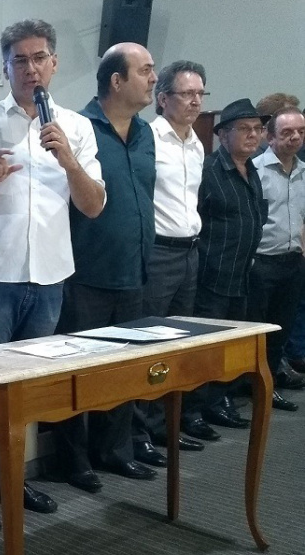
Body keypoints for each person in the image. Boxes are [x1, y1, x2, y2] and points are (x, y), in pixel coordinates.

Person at [0, 19, 105, 531]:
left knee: (25, 389)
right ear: (5, 67)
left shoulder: (76, 128)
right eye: (19, 60)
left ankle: (8, 477)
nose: (30, 69)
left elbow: (94, 205)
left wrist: (69, 161)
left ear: (54, 63)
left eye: (39, 58)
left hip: (50, 278)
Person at [53, 42, 159, 491]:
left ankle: (114, 451)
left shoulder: (146, 133)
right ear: (117, 81)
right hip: (85, 274)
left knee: (122, 368)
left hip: (133, 271)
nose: (154, 78)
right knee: (77, 372)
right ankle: (73, 461)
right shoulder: (78, 128)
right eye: (146, 70)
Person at [131, 60, 211, 457]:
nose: (195, 101)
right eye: (187, 93)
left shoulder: (197, 144)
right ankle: (138, 435)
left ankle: (165, 426)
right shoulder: (147, 138)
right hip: (158, 252)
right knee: (148, 343)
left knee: (177, 344)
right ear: (162, 98)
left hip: (189, 252)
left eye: (200, 93)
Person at [194, 99, 285, 416]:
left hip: (243, 276)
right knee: (206, 346)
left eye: (258, 129)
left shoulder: (252, 169)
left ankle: (219, 402)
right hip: (213, 275)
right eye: (244, 129)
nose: (253, 135)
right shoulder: (209, 171)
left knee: (231, 346)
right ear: (223, 135)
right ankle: (195, 410)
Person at [248, 108, 305, 395]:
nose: (295, 137)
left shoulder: (304, 172)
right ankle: (249, 387)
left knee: (281, 331)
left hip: (293, 262)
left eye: (300, 132)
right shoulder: (255, 170)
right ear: (269, 137)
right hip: (262, 263)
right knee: (257, 331)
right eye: (287, 132)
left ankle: (267, 389)